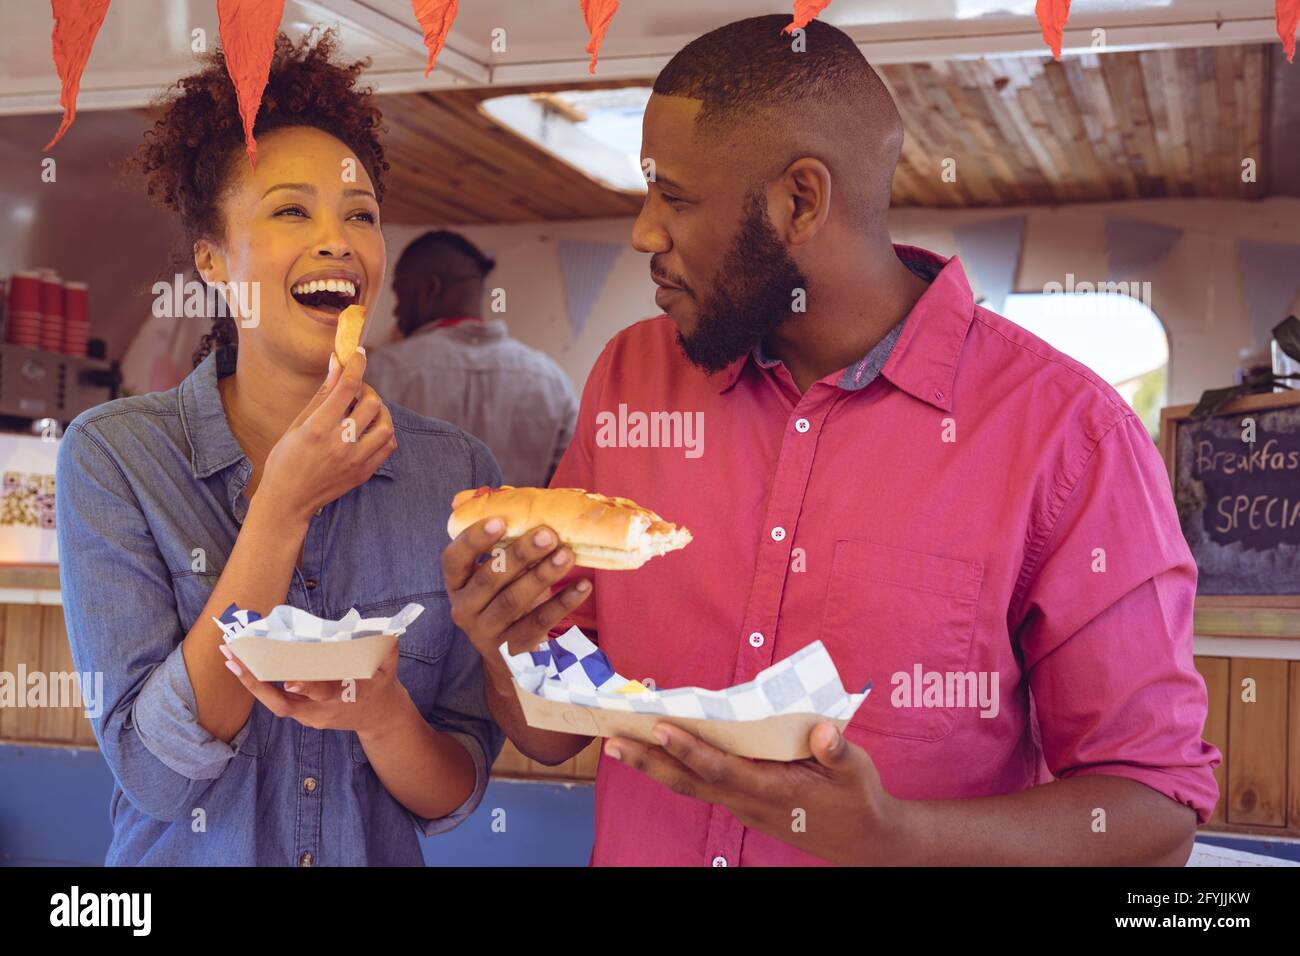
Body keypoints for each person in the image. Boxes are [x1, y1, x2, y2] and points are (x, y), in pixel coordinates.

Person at [441, 15, 1219, 866]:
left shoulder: (1070, 436)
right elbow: (551, 733)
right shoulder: (631, 379)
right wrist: (507, 641)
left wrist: (896, 838)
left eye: (677, 197)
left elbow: (1154, 814)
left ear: (800, 202)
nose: (644, 233)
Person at [56, 31, 502, 866]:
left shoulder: (457, 474)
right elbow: (153, 777)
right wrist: (282, 507)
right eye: (292, 209)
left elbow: (456, 792)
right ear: (213, 261)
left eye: (360, 215)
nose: (338, 240)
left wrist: (382, 716)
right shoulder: (114, 458)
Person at [366, 230, 579, 487]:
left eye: (400, 295)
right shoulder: (551, 380)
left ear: (431, 289)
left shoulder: (380, 373)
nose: (397, 311)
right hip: (514, 527)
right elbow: (570, 486)